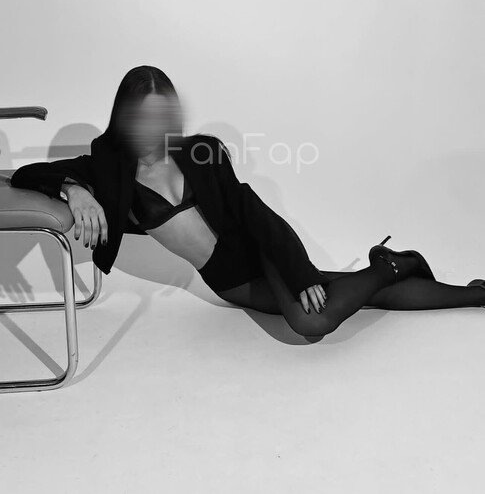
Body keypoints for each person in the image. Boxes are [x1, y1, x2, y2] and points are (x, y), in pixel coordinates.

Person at [10, 65, 485, 341]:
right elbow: (28, 174)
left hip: (260, 250)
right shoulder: (108, 166)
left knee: (311, 320)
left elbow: (256, 214)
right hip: (230, 281)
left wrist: (298, 273)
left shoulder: (202, 152)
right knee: (355, 296)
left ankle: (393, 267)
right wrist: (74, 188)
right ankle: (426, 276)